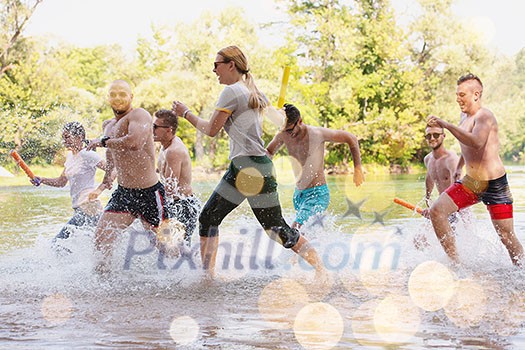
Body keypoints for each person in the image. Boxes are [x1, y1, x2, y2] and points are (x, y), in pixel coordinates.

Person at [172, 45, 326, 279]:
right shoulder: (252, 92)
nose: (214, 70)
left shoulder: (232, 92)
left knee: (209, 218)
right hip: (260, 165)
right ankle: (322, 269)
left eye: (216, 65)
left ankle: (207, 278)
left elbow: (211, 130)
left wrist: (186, 113)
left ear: (231, 65)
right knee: (276, 228)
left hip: (246, 167)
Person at [427, 73, 524, 266]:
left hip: (495, 184)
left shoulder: (485, 116)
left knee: (506, 236)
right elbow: (467, 144)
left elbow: (477, 142)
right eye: (457, 94)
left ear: (476, 95)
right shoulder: (464, 117)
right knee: (437, 211)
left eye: (462, 94)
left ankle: (522, 272)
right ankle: (457, 265)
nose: (458, 99)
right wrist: (460, 166)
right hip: (472, 182)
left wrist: (446, 125)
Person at [87, 79, 167, 273]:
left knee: (165, 246)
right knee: (101, 238)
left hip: (149, 192)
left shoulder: (139, 115)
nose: (118, 98)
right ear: (108, 98)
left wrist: (103, 141)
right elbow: (112, 154)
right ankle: (104, 283)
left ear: (131, 97)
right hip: (123, 193)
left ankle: (193, 272)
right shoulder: (108, 125)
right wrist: (106, 179)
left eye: (123, 94)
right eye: (113, 94)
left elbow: (134, 142)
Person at [266, 103, 364, 229]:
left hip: (317, 194)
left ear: (300, 121)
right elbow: (269, 152)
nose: (288, 134)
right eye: (284, 130)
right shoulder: (283, 134)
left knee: (295, 230)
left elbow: (351, 138)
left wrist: (357, 169)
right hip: (298, 195)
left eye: (290, 130)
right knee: (307, 233)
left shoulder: (317, 134)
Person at [31, 122, 111, 251]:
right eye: (63, 137)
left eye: (67, 137)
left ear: (79, 137)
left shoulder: (87, 154)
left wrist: (99, 189)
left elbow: (112, 170)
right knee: (84, 248)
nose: (64, 141)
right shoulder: (70, 157)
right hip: (79, 210)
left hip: (89, 208)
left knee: (58, 244)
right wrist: (42, 179)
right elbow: (61, 182)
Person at [153, 108, 201, 249]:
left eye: (155, 127)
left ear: (169, 130)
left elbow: (170, 188)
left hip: (183, 205)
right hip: (176, 203)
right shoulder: (166, 146)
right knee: (168, 248)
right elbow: (161, 172)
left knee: (177, 250)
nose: (152, 130)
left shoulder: (173, 151)